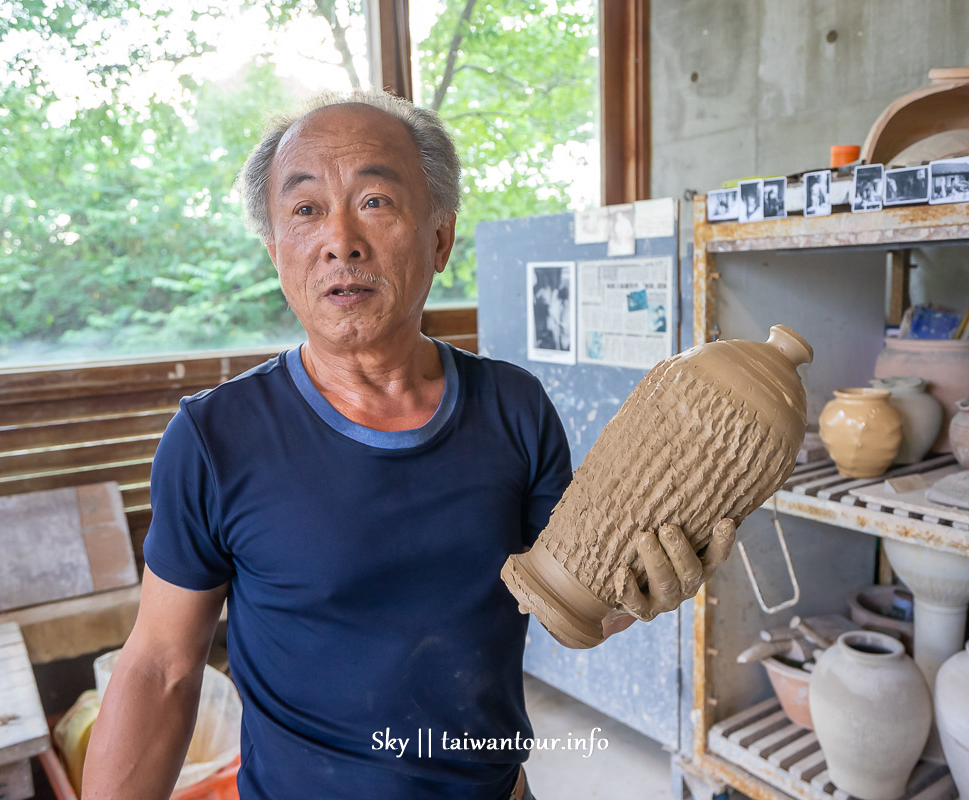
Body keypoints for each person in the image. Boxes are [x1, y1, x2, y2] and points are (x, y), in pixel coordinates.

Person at [82, 89, 729, 800]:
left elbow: (572, 604)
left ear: (441, 240)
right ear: (276, 255)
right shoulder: (214, 439)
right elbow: (160, 668)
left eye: (375, 202)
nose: (340, 241)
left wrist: (635, 592)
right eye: (305, 210)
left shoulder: (513, 408)